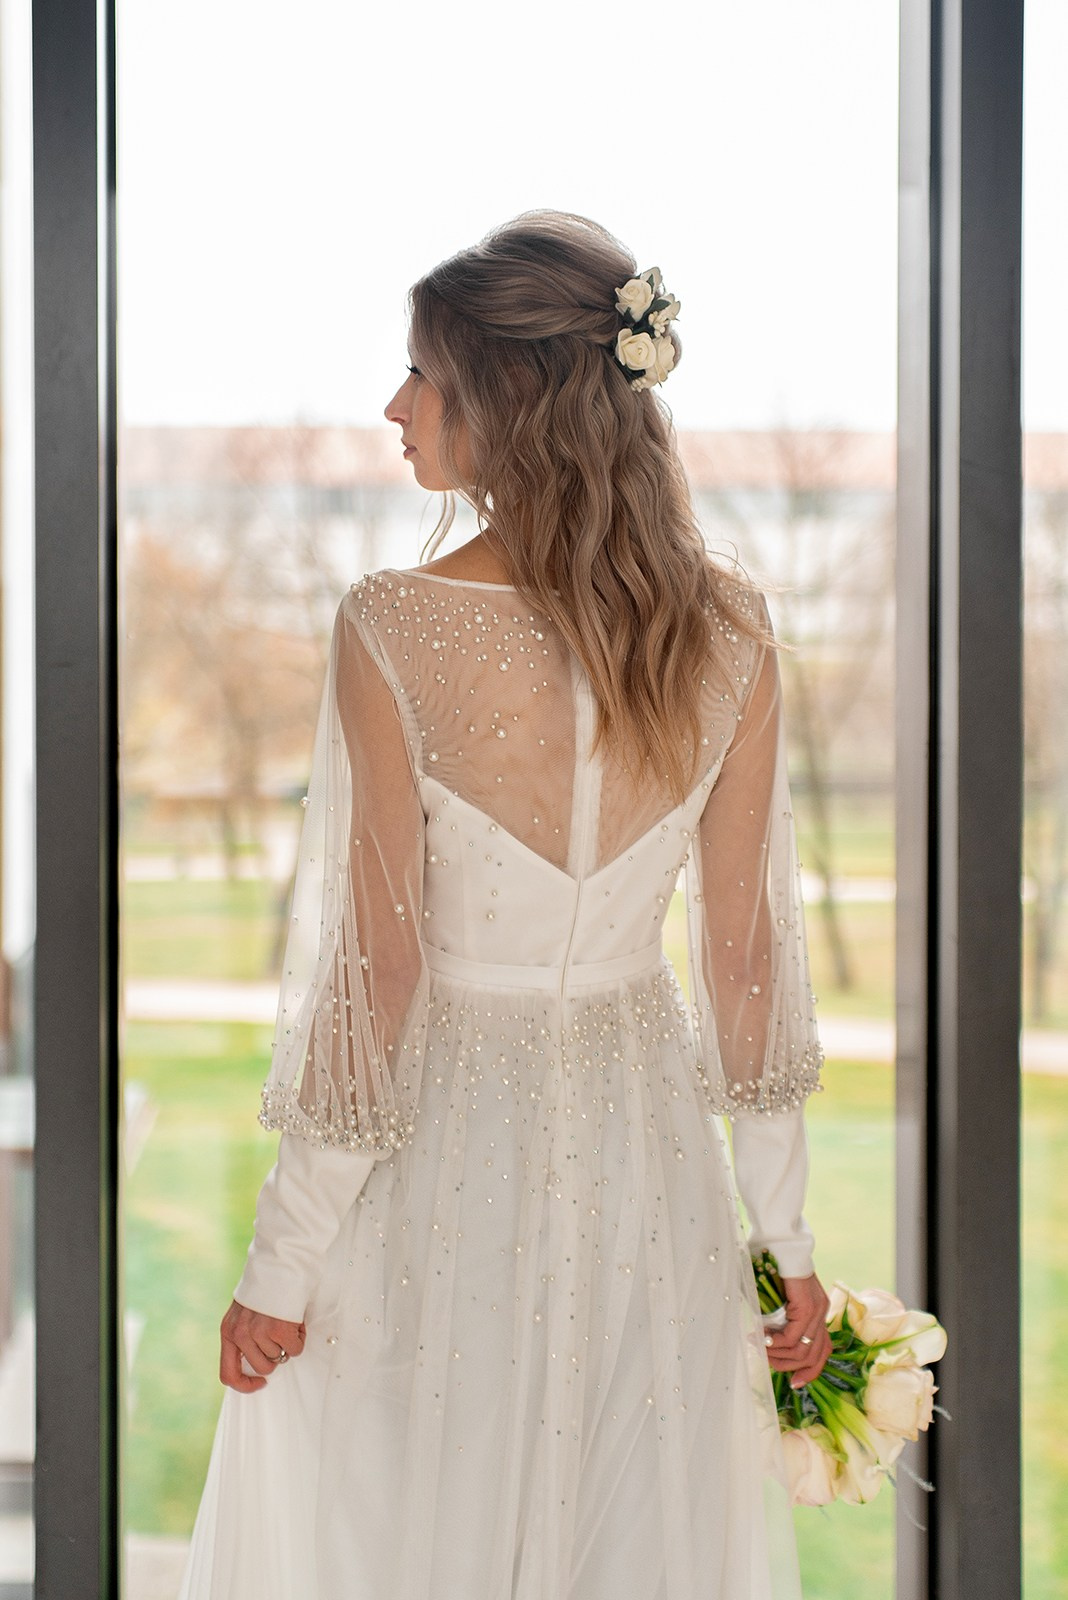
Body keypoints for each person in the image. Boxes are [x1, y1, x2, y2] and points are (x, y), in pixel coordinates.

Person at [179, 210, 831, 1600]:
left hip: (444, 1157)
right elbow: (744, 962)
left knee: (415, 1528)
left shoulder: (392, 625)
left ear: (508, 397)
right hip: (644, 1156)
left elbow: (379, 974)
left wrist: (282, 1266)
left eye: (423, 373)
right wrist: (786, 1247)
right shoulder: (731, 633)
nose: (395, 405)